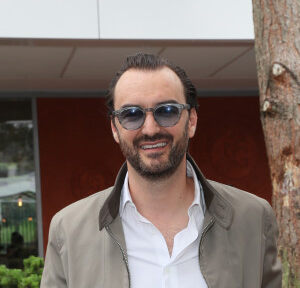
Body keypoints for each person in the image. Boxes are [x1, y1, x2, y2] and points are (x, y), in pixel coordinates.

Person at [41, 53, 282, 287]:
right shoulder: (69, 231)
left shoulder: (253, 219)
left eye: (167, 111)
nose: (150, 129)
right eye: (131, 114)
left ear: (192, 121)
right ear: (115, 129)